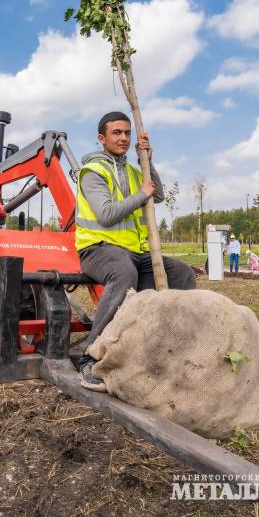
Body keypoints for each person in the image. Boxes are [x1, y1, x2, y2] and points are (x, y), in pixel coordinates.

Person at [76, 111, 196, 391]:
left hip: (135, 252)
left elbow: (160, 195)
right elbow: (105, 215)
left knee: (181, 273)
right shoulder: (92, 172)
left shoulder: (134, 170)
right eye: (116, 133)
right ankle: (90, 357)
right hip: (98, 250)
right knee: (123, 272)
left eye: (127, 133)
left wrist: (148, 161)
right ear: (101, 138)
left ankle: (168, 350)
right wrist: (142, 194)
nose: (124, 138)